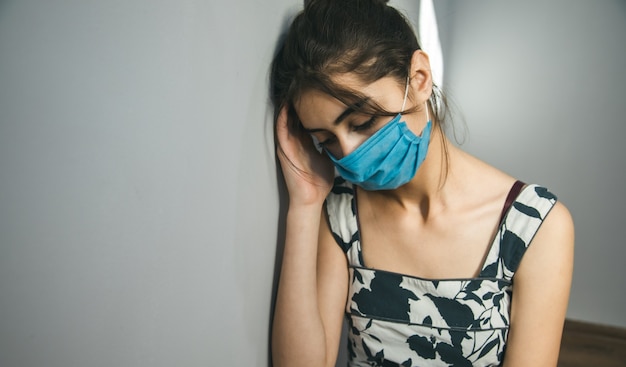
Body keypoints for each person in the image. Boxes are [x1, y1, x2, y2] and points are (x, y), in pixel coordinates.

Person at [270, 0, 574, 366]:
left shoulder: (535, 224)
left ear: (419, 79)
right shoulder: (340, 213)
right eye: (327, 140)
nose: (349, 155)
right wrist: (304, 204)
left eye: (364, 122)